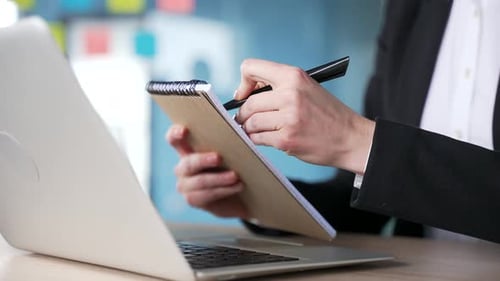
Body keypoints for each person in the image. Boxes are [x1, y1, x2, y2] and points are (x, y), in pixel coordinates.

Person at [166, 0, 500, 243]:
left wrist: (358, 141)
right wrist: (255, 199)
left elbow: (368, 153)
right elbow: (360, 203)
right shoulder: (411, 9)